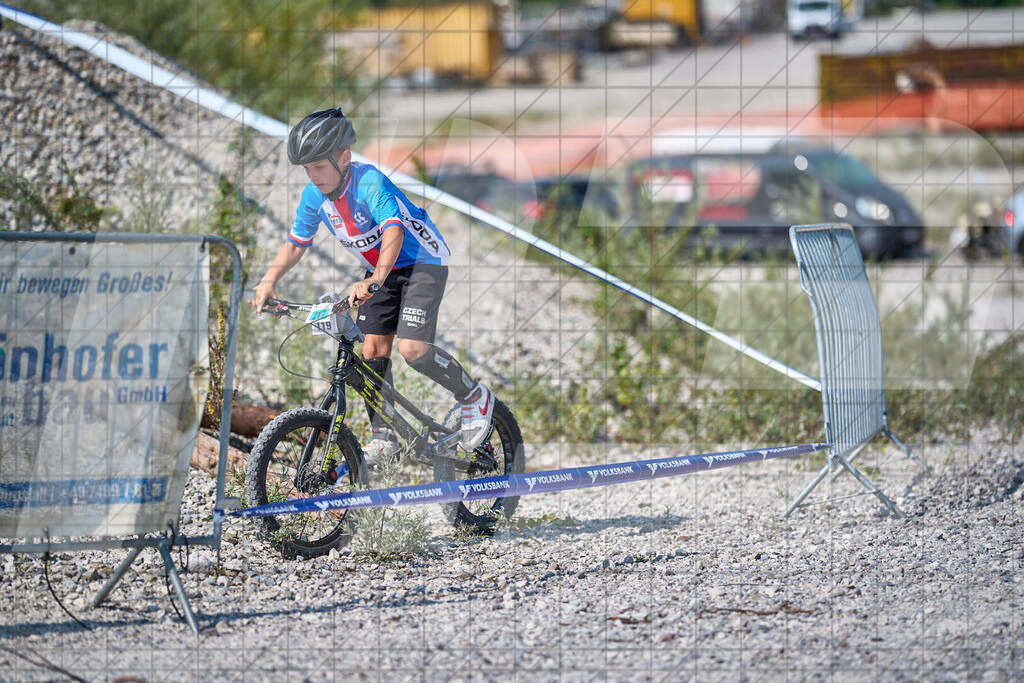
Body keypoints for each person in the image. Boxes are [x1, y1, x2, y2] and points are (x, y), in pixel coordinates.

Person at [250, 108, 493, 467]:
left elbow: (394, 230)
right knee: (371, 351)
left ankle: (473, 396)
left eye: (318, 166)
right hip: (381, 269)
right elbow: (297, 242)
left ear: (344, 158)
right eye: (306, 169)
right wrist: (268, 281)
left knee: (412, 348)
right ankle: (384, 436)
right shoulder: (314, 196)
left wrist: (375, 279)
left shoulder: (369, 182)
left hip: (422, 262)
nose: (312, 176)